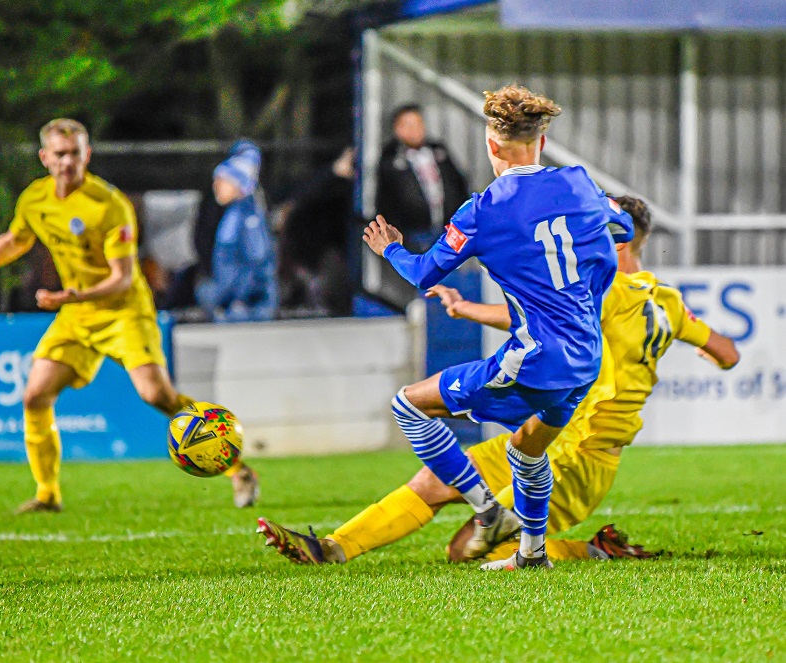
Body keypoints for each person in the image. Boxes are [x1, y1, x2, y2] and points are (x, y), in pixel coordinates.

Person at [257, 196, 740, 567]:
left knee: (467, 550)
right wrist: (697, 347)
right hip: (546, 439)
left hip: (580, 459)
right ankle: (331, 547)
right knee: (434, 480)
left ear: (618, 242)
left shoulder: (608, 286)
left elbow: (530, 317)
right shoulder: (669, 302)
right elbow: (728, 352)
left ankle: (596, 551)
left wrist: (467, 308)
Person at [356, 85, 634, 571]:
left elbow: (424, 274)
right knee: (527, 452)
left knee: (408, 404)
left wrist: (390, 250)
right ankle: (531, 554)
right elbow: (624, 227)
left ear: (492, 147)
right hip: (585, 359)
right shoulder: (580, 184)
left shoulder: (482, 211)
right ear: (541, 141)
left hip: (534, 359)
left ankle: (487, 511)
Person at [0, 119, 260, 512]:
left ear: (87, 154)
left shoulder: (109, 204)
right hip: (76, 314)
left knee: (157, 395)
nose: (69, 162)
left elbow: (121, 279)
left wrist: (72, 294)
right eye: (60, 154)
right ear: (44, 158)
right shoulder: (35, 198)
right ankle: (47, 495)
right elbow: (16, 240)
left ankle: (237, 469)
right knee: (34, 395)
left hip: (123, 312)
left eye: (76, 153)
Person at [195, 140, 277, 322]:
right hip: (232, 304)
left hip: (246, 309)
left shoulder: (248, 218)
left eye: (222, 180)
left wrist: (239, 300)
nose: (216, 185)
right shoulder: (233, 214)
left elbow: (256, 263)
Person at [375, 104, 469, 253]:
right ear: (397, 129)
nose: (415, 130)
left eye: (418, 124)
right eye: (408, 125)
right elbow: (386, 201)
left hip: (449, 231)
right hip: (415, 236)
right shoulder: (391, 160)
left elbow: (459, 183)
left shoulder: (438, 150)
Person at [278, 147, 354, 317]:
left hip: (334, 248)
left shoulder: (350, 188)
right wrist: (334, 172)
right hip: (313, 248)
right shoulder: (322, 184)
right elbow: (299, 196)